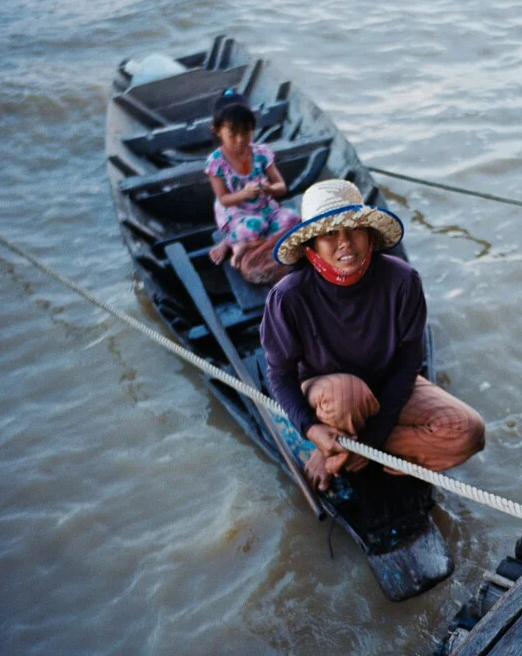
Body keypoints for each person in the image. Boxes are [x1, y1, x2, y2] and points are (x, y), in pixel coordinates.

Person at [260, 179, 485, 491]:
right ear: (311, 247)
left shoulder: (403, 280)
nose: (345, 243)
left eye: (354, 229)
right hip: (329, 398)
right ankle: (335, 446)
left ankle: (344, 455)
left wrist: (370, 440)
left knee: (467, 431)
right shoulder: (289, 296)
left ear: (369, 234)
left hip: (384, 385)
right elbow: (279, 375)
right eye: (329, 234)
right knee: (345, 394)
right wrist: (311, 431)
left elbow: (409, 364)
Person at [204, 89, 300, 284]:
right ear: (217, 131)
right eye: (233, 134)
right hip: (237, 211)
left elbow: (281, 187)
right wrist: (244, 193)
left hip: (264, 207)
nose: (241, 140)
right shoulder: (216, 162)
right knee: (255, 226)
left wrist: (270, 189)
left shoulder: (261, 152)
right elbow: (223, 199)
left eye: (246, 132)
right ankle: (236, 241)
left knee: (293, 219)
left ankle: (242, 245)